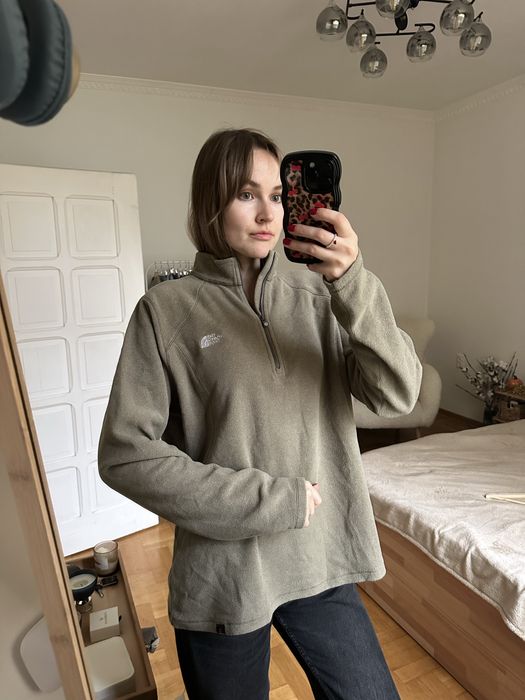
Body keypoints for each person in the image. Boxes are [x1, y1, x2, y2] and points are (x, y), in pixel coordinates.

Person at [98, 128, 422, 699]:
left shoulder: (321, 298)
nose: (268, 213)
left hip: (322, 558)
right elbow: (127, 455)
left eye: (278, 195)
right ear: (211, 201)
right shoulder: (165, 311)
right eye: (247, 194)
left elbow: (399, 394)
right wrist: (271, 501)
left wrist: (352, 283)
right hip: (226, 576)